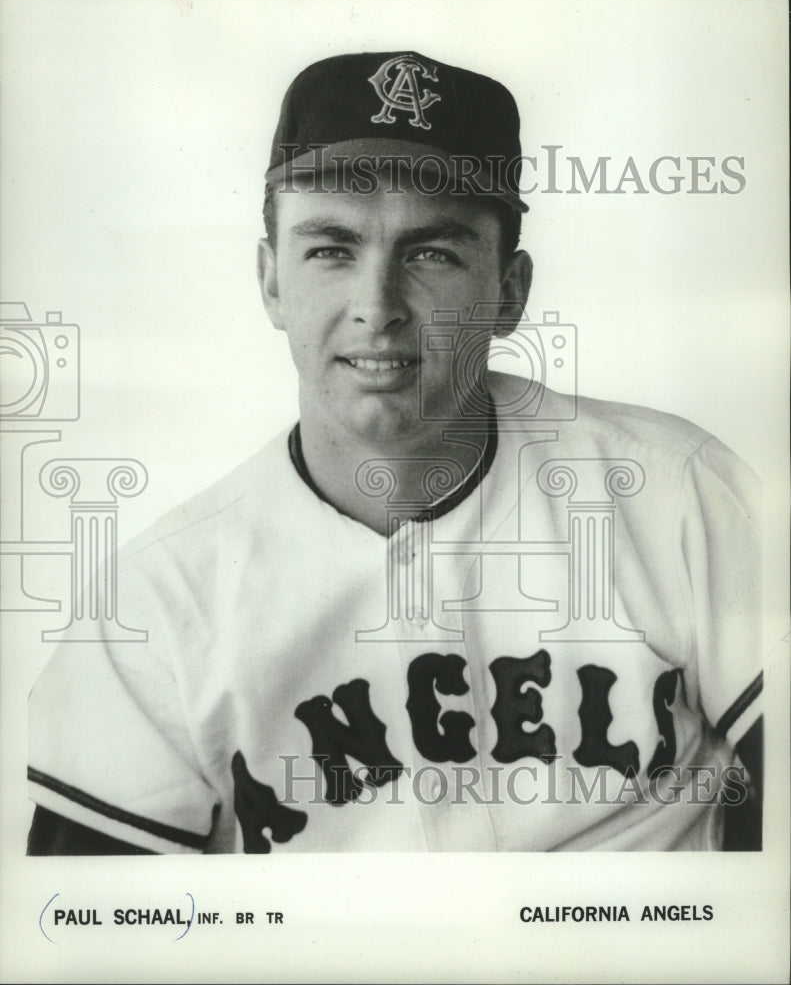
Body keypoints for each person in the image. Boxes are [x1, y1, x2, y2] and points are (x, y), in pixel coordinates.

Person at [27, 51, 762, 854]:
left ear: (509, 292)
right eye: (331, 250)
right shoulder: (155, 606)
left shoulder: (676, 494)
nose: (377, 307)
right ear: (271, 281)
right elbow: (92, 932)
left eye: (431, 253)